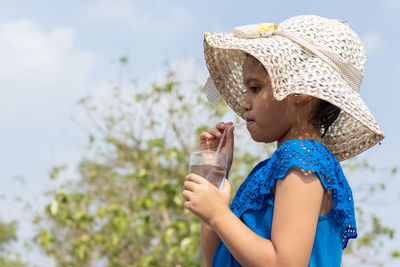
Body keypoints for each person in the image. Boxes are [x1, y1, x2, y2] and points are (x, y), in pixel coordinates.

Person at [182, 15, 384, 266]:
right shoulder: (279, 166)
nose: (244, 103)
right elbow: (215, 259)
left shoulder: (302, 159)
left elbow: (284, 263)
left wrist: (219, 214)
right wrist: (215, 178)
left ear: (300, 91)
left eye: (255, 88)